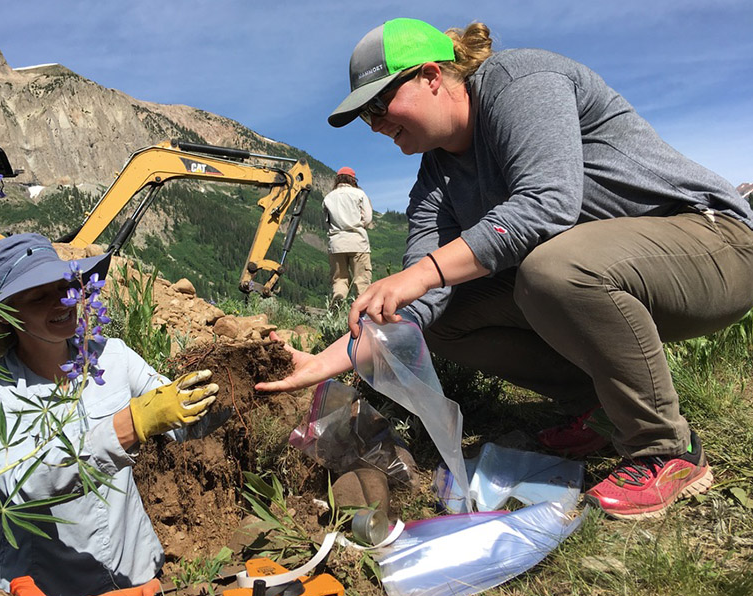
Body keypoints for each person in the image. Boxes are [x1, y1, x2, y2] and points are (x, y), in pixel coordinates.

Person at [256, 18, 753, 520]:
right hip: (611, 279)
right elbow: (416, 305)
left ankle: (666, 448)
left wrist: (423, 272)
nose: (377, 124)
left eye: (380, 105)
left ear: (431, 76)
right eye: (366, 116)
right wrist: (321, 362)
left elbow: (548, 202)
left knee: (550, 268)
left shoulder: (521, 82)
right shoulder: (436, 177)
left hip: (715, 247)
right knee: (442, 319)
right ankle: (602, 409)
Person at [0, 233, 218, 596]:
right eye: (38, 296)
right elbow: (23, 487)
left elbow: (187, 422)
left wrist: (230, 386)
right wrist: (128, 426)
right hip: (48, 585)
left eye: (64, 287)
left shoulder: (113, 355)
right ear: (8, 313)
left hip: (133, 572)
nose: (62, 302)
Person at [322, 166, 374, 305]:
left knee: (339, 279)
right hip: (358, 242)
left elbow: (327, 222)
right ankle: (363, 314)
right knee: (361, 281)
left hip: (337, 243)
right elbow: (368, 218)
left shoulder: (329, 197)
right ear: (353, 179)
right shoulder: (359, 194)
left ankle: (338, 298)